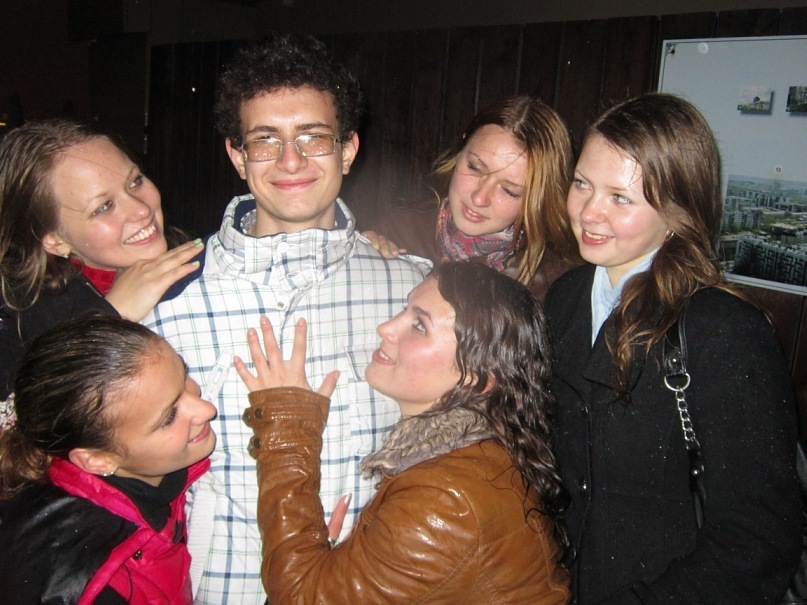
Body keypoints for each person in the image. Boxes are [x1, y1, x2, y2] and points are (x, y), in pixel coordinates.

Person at [144, 33, 429, 604]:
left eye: (313, 138)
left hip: (372, 588)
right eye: (265, 140)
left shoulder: (412, 294)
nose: (290, 161)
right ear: (237, 155)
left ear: (347, 149)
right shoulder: (166, 301)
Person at [544, 92, 802, 603]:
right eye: (582, 183)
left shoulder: (721, 330)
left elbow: (758, 537)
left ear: (677, 211)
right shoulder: (564, 297)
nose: (589, 212)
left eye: (620, 198)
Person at [237, 262, 571, 603]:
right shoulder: (478, 456)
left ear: (476, 377)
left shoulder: (443, 501)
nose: (385, 328)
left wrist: (287, 429)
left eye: (419, 325)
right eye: (404, 310)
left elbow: (300, 598)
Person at [0, 315, 216, 604]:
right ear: (97, 460)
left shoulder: (143, 473)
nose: (206, 409)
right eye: (168, 417)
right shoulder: (97, 587)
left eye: (184, 374)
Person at [0, 119, 204, 402]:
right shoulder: (20, 314)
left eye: (135, 181)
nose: (141, 209)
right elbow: (26, 413)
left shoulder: (201, 262)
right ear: (55, 240)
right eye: (103, 207)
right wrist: (108, 315)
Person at [364, 94, 580, 301]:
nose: (479, 198)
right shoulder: (398, 232)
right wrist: (362, 254)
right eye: (475, 168)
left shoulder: (554, 285)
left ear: (538, 201)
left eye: (509, 191)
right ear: (460, 151)